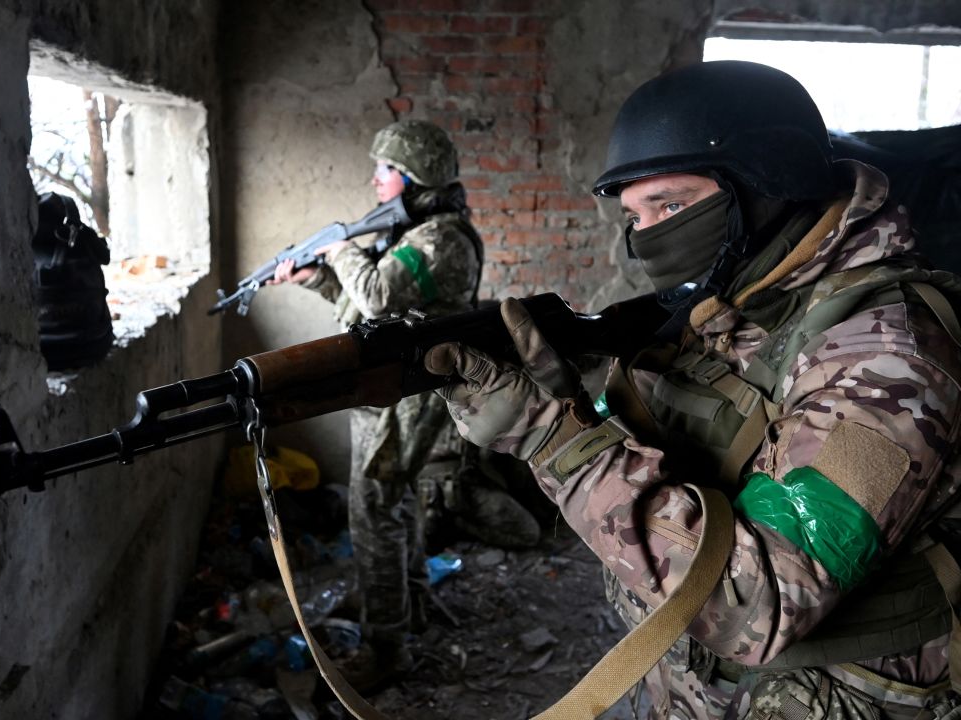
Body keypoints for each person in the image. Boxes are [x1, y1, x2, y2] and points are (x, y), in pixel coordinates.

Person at [426, 60, 961, 720]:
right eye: (635, 216)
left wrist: (553, 442)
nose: (649, 237)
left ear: (767, 185)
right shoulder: (733, 303)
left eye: (672, 206)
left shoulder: (888, 355)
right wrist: (575, 408)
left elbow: (757, 602)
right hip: (692, 685)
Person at [269, 119, 541, 689]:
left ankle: (386, 650)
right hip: (388, 392)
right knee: (394, 506)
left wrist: (341, 248)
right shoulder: (412, 233)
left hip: (403, 399)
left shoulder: (437, 239)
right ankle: (411, 607)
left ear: (414, 176)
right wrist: (313, 275)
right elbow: (361, 309)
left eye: (385, 170)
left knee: (372, 514)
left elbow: (373, 294)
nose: (375, 179)